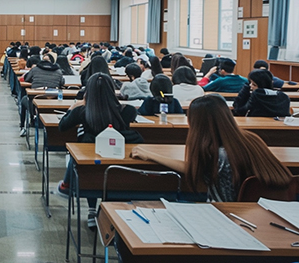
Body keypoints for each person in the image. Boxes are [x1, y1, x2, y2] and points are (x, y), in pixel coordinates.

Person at [132, 94, 292, 202]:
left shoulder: (219, 155)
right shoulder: (249, 138)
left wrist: (150, 155)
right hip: (260, 210)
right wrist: (151, 155)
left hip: (226, 215)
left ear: (198, 124)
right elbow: (196, 167)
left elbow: (195, 171)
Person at [56, 72, 143, 229]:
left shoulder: (82, 112)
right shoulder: (128, 111)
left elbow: (62, 126)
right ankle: (111, 210)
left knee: (86, 163)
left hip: (91, 167)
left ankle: (91, 210)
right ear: (112, 89)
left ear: (88, 91)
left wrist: (74, 106)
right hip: (120, 165)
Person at [19, 56, 65, 136]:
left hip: (34, 103)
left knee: (24, 99)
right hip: (54, 104)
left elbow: (27, 79)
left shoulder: (35, 69)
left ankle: (23, 125)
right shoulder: (58, 71)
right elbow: (62, 83)